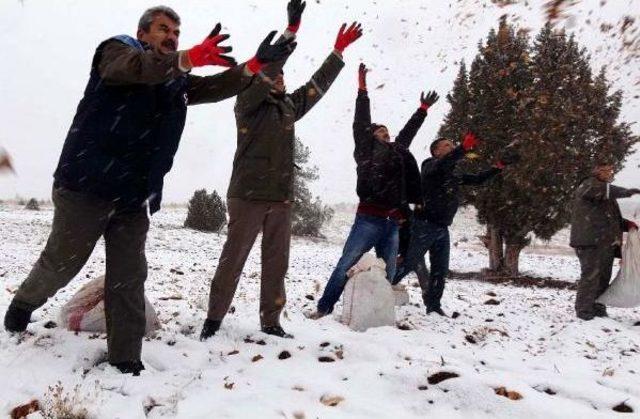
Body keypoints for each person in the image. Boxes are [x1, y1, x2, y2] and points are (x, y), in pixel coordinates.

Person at [3, 6, 292, 375]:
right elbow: (136, 69)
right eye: (163, 29)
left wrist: (253, 65)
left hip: (134, 196)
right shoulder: (117, 52)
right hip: (87, 186)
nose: (171, 36)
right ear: (142, 34)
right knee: (63, 262)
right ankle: (24, 303)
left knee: (129, 276)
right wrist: (187, 58)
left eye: (176, 32)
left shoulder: (174, 78)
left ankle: (125, 359)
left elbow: (214, 87)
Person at [200, 1, 363, 340]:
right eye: (274, 75)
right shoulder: (248, 106)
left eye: (283, 76)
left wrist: (337, 52)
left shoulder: (289, 107)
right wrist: (290, 33)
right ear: (263, 81)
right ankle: (213, 320)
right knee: (233, 260)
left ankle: (271, 321)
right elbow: (264, 70)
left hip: (281, 199)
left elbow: (317, 85)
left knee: (277, 265)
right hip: (248, 195)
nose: (281, 78)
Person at [312, 63, 439, 318]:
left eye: (388, 132)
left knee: (388, 273)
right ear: (371, 136)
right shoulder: (365, 150)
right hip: (368, 220)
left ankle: (373, 313)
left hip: (392, 222)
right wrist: (362, 89)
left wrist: (422, 111)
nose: (387, 134)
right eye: (381, 131)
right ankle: (324, 308)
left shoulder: (396, 152)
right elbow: (361, 121)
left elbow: (407, 133)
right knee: (345, 264)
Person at [393, 134, 516, 316]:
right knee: (409, 262)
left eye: (452, 144)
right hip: (424, 225)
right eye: (446, 144)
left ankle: (434, 307)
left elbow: (477, 179)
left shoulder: (453, 175)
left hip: (442, 228)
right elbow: (442, 164)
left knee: (440, 270)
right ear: (436, 151)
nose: (451, 146)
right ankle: (378, 286)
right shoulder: (429, 166)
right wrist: (462, 149)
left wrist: (498, 167)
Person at [569, 161, 640, 320]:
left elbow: (609, 218)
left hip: (604, 243)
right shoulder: (589, 186)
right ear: (596, 171)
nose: (609, 173)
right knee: (591, 276)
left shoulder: (603, 193)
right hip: (590, 242)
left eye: (610, 170)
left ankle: (598, 308)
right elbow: (606, 190)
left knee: (603, 277)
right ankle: (584, 311)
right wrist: (627, 192)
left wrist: (626, 224)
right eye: (605, 170)